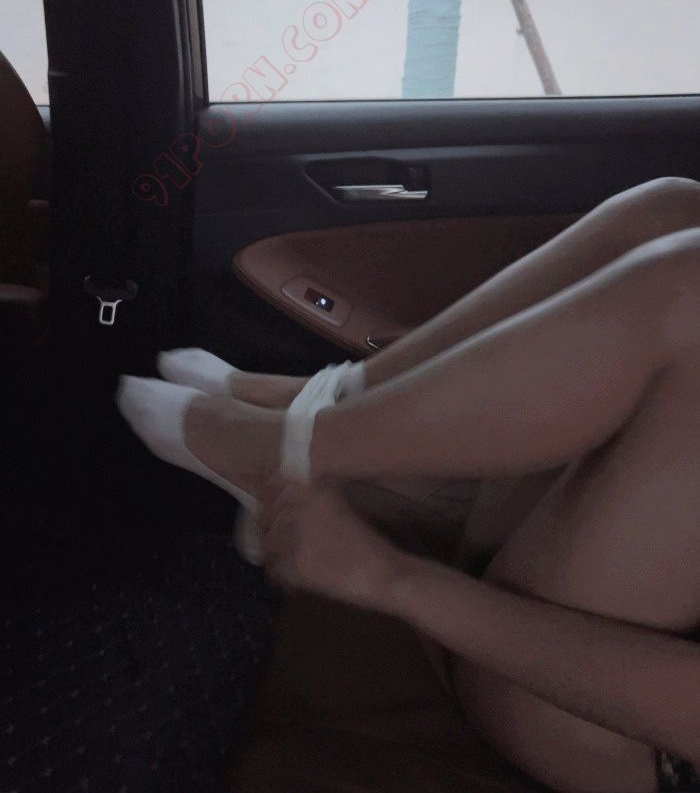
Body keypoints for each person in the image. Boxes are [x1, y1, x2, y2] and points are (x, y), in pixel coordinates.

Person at [117, 177, 700, 793]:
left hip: (605, 717)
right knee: (670, 210)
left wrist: (390, 578)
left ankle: (291, 452)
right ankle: (322, 410)